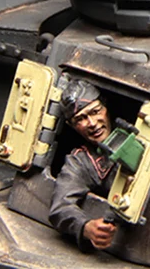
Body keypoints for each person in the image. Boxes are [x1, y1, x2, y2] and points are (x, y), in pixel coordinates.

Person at [49, 79, 118, 251]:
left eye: (95, 111)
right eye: (81, 119)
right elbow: (61, 207)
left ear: (106, 108)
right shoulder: (81, 161)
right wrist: (86, 227)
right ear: (72, 126)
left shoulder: (138, 135)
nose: (92, 123)